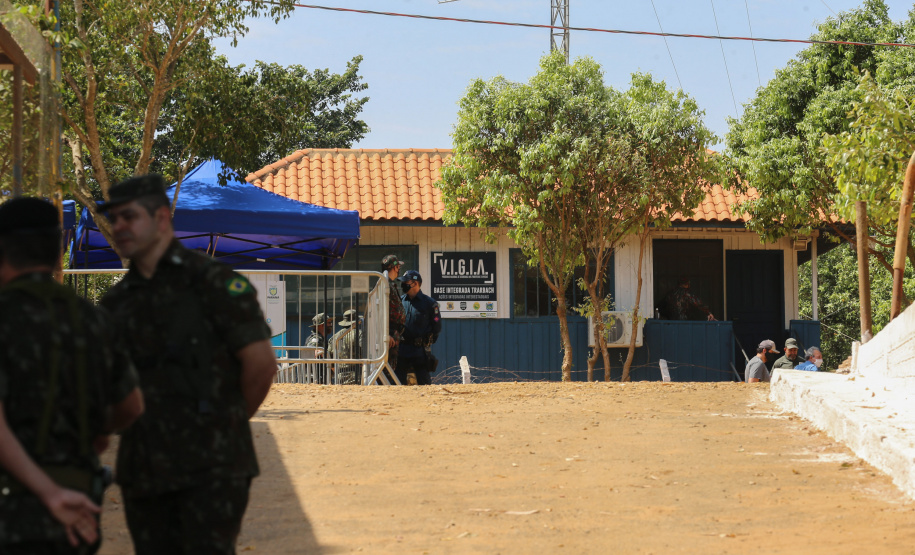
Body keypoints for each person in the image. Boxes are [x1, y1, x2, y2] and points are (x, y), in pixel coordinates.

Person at [99, 175, 278, 555]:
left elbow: (261, 366)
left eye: (129, 217)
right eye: (113, 219)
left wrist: (222, 424)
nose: (118, 228)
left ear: (162, 218)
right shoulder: (116, 304)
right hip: (144, 470)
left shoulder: (216, 283)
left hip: (212, 470)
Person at [0, 197, 143, 555]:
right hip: (76, 508)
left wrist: (47, 492)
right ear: (60, 247)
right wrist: (94, 430)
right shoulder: (92, 320)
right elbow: (131, 406)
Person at [397, 270, 442, 386]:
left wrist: (428, 341)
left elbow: (436, 326)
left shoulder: (430, 304)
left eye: (406, 282)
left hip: (420, 351)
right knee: (398, 383)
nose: (403, 285)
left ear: (415, 283)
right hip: (402, 349)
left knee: (424, 384)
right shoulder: (400, 301)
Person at [381, 255, 406, 382]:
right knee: (387, 368)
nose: (399, 269)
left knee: (392, 365)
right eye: (398, 266)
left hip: (394, 332)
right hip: (390, 332)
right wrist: (386, 333)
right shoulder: (385, 285)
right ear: (394, 267)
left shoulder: (390, 285)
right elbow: (381, 312)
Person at [328, 309, 364, 385]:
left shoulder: (334, 337)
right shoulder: (359, 334)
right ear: (356, 322)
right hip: (356, 375)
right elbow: (364, 352)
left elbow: (330, 358)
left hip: (339, 376)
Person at [305, 313, 333, 383]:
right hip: (316, 378)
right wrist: (317, 350)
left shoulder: (322, 338)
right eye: (329, 323)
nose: (331, 325)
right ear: (321, 325)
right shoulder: (316, 338)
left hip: (320, 377)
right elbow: (311, 349)